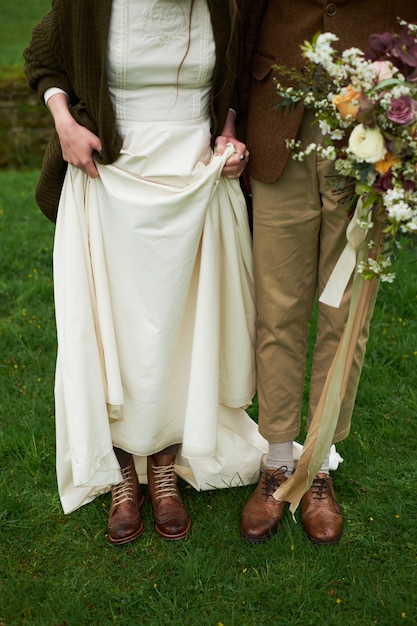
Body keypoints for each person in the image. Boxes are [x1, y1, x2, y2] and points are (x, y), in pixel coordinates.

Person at [24, 0, 267, 544]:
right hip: (110, 172)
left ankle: (162, 467)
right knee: (118, 327)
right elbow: (42, 58)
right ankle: (121, 475)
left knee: (177, 329)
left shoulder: (225, 4)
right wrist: (65, 123)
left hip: (191, 177)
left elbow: (228, 87)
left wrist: (227, 134)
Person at [239, 0, 417, 545]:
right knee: (277, 305)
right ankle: (274, 462)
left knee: (344, 314)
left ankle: (318, 468)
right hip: (277, 121)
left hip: (371, 131)